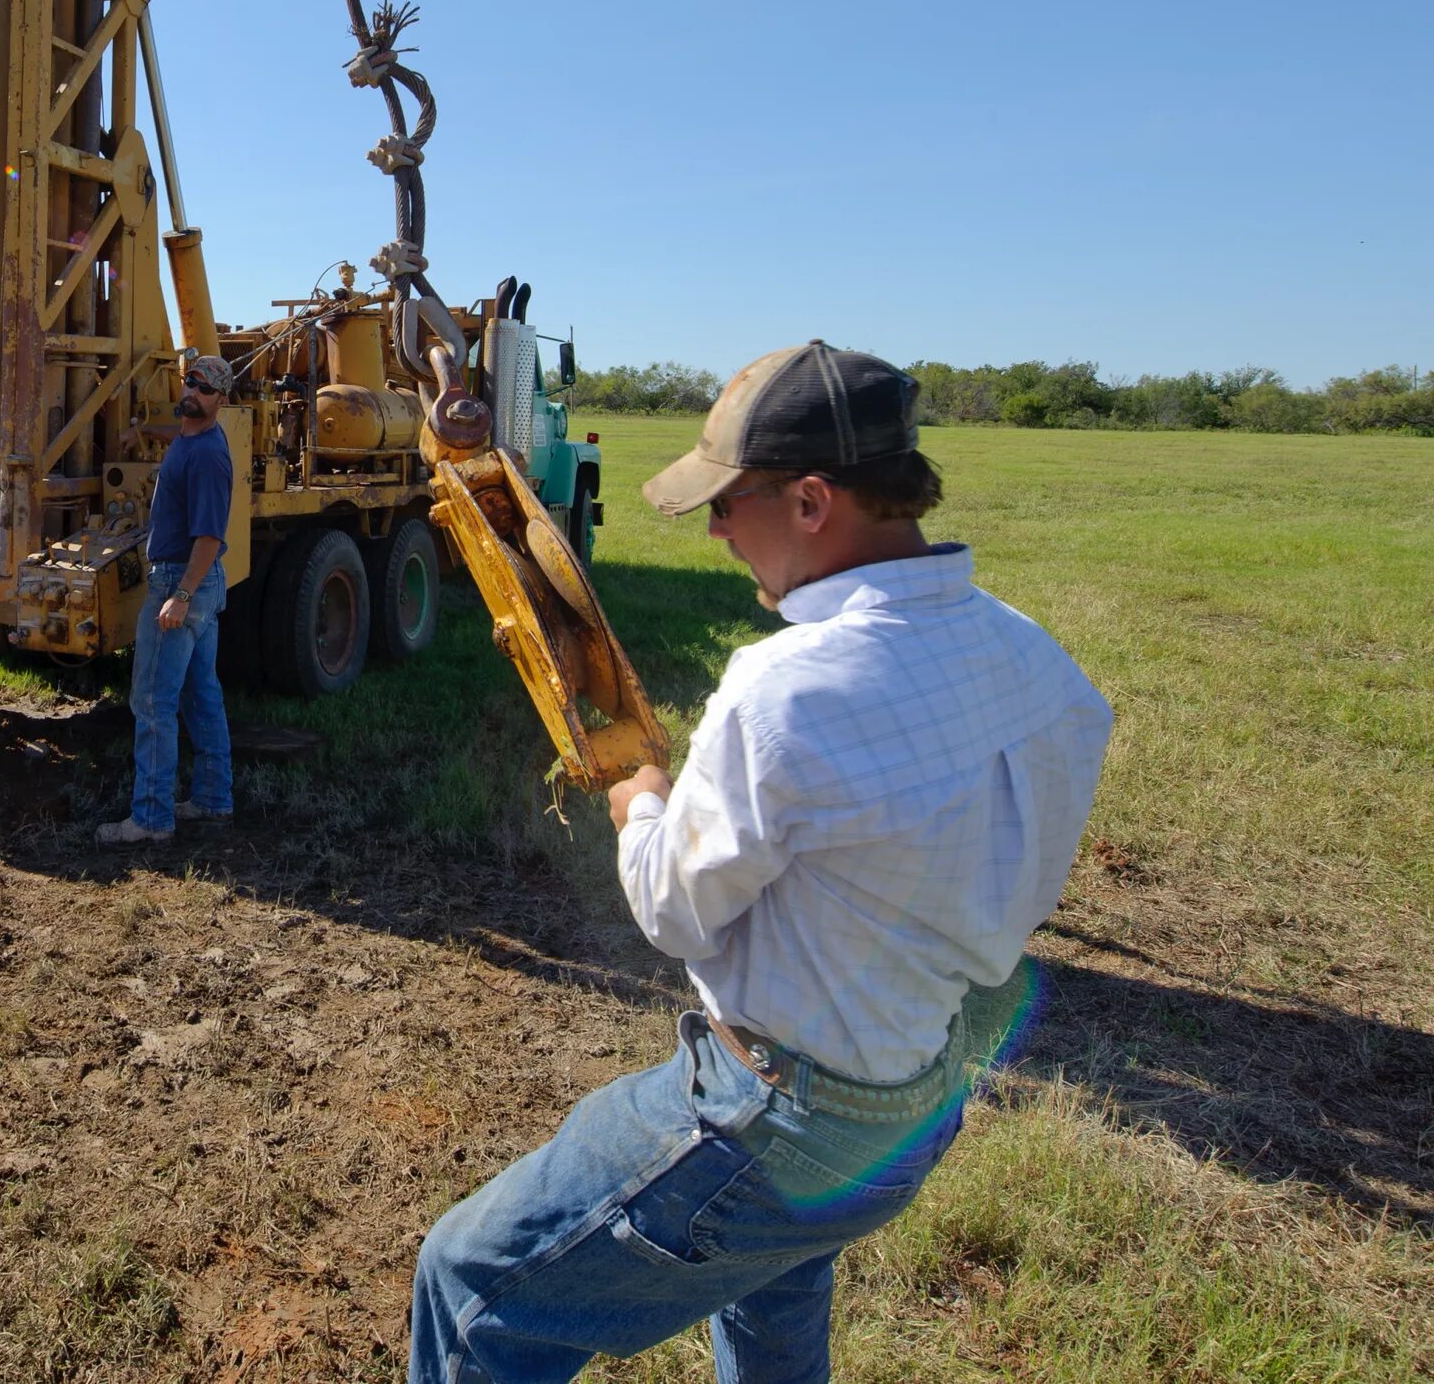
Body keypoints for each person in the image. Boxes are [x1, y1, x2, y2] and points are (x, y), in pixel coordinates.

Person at [407, 341, 1115, 1384]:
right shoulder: (1043, 667)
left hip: (778, 1119)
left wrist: (643, 804)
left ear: (815, 500)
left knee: (468, 1282)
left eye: (729, 503)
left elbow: (673, 910)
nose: (720, 529)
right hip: (918, 1096)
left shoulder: (787, 689)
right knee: (771, 1276)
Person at [97, 353, 237, 846]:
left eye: (203, 388)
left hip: (184, 581)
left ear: (221, 398)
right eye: (189, 382)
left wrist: (179, 596)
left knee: (153, 700)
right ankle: (213, 800)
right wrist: (142, 434)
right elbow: (175, 432)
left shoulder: (207, 458)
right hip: (198, 585)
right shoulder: (190, 436)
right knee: (202, 696)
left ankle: (151, 819)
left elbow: (209, 539)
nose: (192, 392)